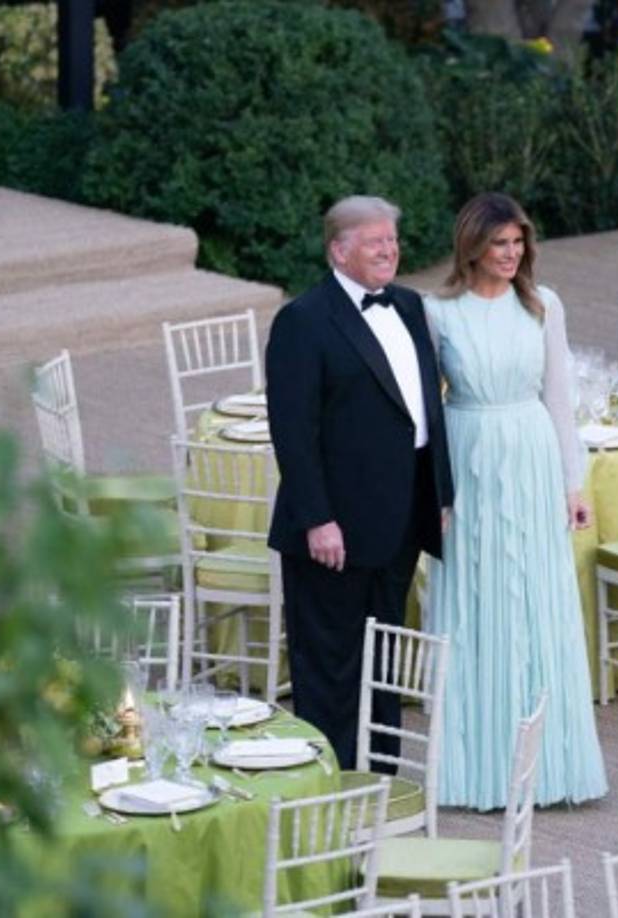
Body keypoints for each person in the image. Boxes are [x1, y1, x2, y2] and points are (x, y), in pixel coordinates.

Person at [424, 192, 608, 809]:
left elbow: (560, 398)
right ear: (471, 245)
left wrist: (571, 482)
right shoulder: (438, 310)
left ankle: (548, 766)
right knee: (473, 604)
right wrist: (434, 489)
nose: (511, 254)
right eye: (498, 243)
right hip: (469, 453)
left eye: (518, 242)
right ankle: (473, 768)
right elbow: (425, 408)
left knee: (535, 602)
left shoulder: (542, 304)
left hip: (530, 457)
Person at [265, 195, 453, 770]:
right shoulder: (303, 320)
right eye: (376, 243)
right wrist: (318, 518)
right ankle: (327, 789)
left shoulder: (410, 305)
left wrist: (439, 493)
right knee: (330, 667)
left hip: (398, 521)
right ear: (338, 250)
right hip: (335, 530)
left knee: (383, 662)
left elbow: (427, 410)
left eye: (393, 241)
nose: (390, 251)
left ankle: (381, 784)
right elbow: (293, 433)